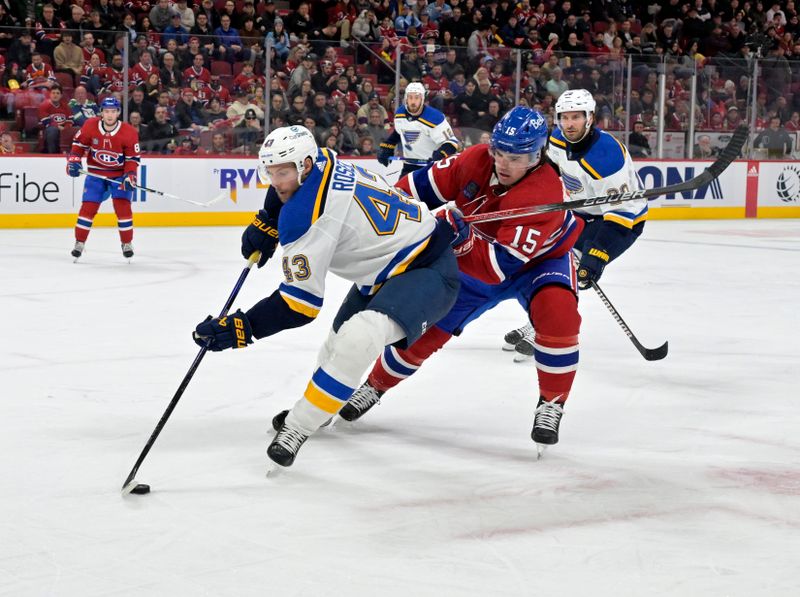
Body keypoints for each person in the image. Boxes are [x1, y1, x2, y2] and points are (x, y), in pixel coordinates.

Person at [192, 125, 460, 468]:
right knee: (335, 346)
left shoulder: (308, 216)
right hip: (382, 270)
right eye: (270, 171)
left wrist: (243, 328)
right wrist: (268, 219)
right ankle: (318, 411)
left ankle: (298, 426)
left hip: (430, 269)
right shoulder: (323, 159)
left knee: (357, 339)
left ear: (305, 165)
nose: (275, 181)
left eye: (283, 172)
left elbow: (299, 306)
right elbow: (285, 188)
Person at [339, 107, 583, 456]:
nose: (504, 163)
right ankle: (375, 386)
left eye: (517, 157)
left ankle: (552, 403)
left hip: (538, 263)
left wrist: (463, 240)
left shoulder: (543, 193)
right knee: (428, 328)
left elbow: (499, 268)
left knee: (558, 313)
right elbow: (416, 187)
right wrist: (388, 209)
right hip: (477, 255)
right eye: (499, 151)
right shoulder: (475, 160)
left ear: (538, 154)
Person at [503, 89, 647, 361]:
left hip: (618, 221)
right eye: (564, 117)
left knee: (570, 272)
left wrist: (597, 255)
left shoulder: (607, 157)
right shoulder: (556, 138)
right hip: (582, 212)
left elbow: (621, 215)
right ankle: (535, 323)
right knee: (543, 263)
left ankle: (545, 330)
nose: (570, 124)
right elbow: (552, 170)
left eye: (576, 118)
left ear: (590, 118)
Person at [66, 97, 141, 260]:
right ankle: (79, 242)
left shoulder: (129, 132)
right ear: (101, 112)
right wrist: (73, 161)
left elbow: (132, 159)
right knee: (88, 208)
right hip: (96, 175)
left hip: (119, 176)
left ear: (118, 113)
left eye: (113, 111)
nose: (109, 115)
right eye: (106, 111)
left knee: (123, 209)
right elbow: (78, 146)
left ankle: (126, 243)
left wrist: (130, 176)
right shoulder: (90, 125)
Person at [378, 81, 459, 176]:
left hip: (432, 169)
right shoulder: (400, 114)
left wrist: (439, 156)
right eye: (410, 97)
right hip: (409, 167)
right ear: (406, 98)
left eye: (416, 98)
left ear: (422, 99)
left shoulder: (435, 117)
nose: (413, 101)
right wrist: (387, 148)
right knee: (400, 191)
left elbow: (452, 143)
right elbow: (398, 133)